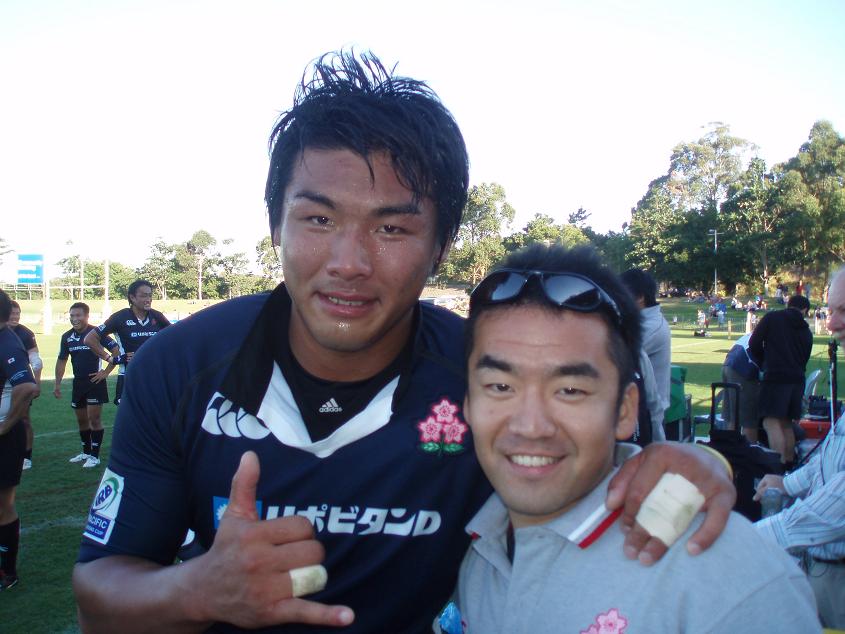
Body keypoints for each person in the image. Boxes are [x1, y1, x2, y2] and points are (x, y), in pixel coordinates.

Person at [72, 51, 736, 633]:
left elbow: (601, 466)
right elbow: (98, 598)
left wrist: (693, 463)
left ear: (442, 246)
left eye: (391, 229)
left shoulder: (484, 379)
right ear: (274, 224)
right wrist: (198, 590)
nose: (348, 261)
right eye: (318, 218)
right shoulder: (181, 367)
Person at [452, 245, 819, 632]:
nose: (530, 425)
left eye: (570, 390)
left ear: (626, 409)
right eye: (499, 385)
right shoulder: (468, 547)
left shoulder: (732, 582)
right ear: (468, 402)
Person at [754, 265, 845, 629]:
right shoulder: (803, 332)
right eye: (832, 310)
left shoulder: (773, 323)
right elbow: (832, 451)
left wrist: (742, 539)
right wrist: (786, 483)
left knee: (773, 425)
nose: (833, 324)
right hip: (820, 569)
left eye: (844, 311)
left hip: (836, 578)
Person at [0, 290, 39, 590]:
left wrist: (4, 426)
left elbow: (27, 388)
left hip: (4, 438)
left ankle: (6, 573)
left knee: (2, 506)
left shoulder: (7, 341)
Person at [83, 279, 171, 405]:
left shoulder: (157, 316)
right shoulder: (120, 317)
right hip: (128, 376)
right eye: (143, 295)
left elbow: (174, 338)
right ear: (132, 298)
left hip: (154, 376)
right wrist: (111, 359)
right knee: (130, 420)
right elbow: (90, 339)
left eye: (150, 295)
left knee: (154, 419)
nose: (148, 299)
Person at [749, 294, 813, 466]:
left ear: (788, 304)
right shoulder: (806, 331)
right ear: (805, 310)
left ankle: (776, 465)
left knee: (770, 421)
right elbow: (805, 359)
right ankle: (789, 463)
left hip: (775, 377)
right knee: (786, 423)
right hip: (797, 380)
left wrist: (765, 362)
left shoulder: (773, 318)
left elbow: (754, 343)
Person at [54, 303, 119, 468]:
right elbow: (62, 360)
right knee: (82, 420)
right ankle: (86, 452)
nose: (74, 319)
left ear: (86, 316)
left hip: (95, 381)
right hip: (78, 383)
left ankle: (95, 457)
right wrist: (57, 384)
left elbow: (116, 350)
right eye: (72, 316)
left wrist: (105, 372)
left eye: (78, 315)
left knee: (94, 419)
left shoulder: (97, 333)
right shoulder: (67, 337)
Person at [620, 268, 670, 437]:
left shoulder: (651, 327)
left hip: (648, 412)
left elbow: (613, 353)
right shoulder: (639, 322)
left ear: (640, 297)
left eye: (621, 293)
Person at [8, 301, 42, 469]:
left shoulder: (25, 333)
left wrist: (36, 382)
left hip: (20, 383)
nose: (15, 317)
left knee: (23, 419)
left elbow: (35, 361)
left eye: (18, 313)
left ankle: (26, 456)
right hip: (3, 383)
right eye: (12, 313)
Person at [721, 333, 763, 442]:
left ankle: (730, 453)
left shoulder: (762, 330)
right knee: (748, 421)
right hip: (743, 368)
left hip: (728, 363)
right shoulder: (777, 335)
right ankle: (749, 455)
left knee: (732, 418)